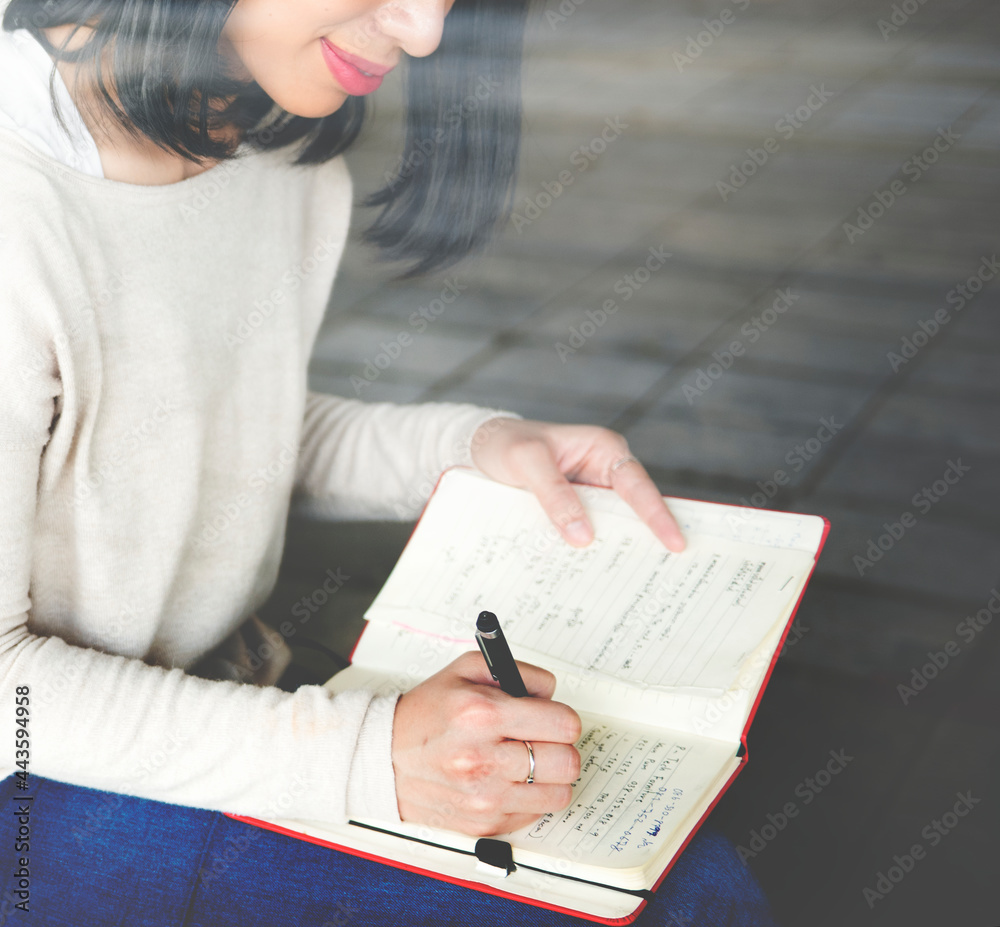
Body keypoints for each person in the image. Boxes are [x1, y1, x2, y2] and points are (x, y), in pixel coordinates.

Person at [0, 1, 779, 923]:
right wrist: (372, 757)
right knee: (681, 902)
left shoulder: (271, 146)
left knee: (673, 851)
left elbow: (193, 434)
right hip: (37, 775)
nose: (423, 32)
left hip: (218, 698)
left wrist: (471, 448)